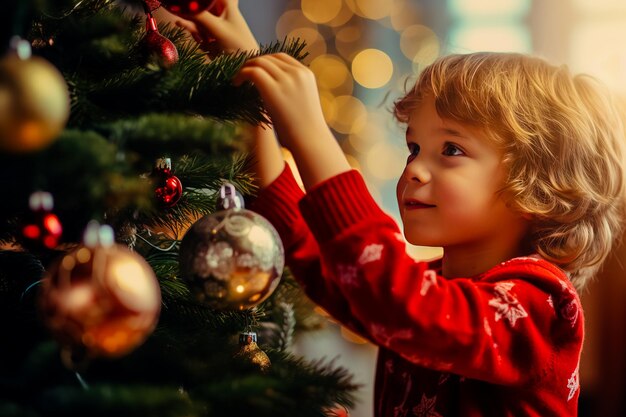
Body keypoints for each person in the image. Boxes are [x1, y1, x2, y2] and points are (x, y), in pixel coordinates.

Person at [177, 1, 626, 415]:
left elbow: (399, 297)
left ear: (538, 183)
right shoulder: (427, 286)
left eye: (450, 149)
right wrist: (253, 89)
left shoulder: (540, 307)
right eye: (414, 148)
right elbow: (312, 255)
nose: (414, 170)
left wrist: (311, 134)